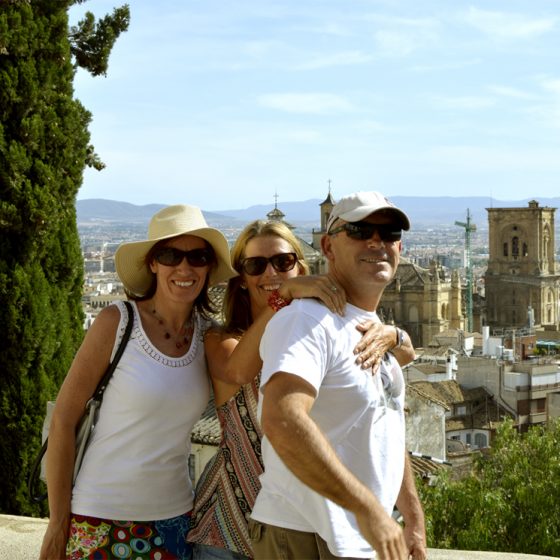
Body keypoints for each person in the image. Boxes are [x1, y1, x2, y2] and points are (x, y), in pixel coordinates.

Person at [188, 219, 416, 560]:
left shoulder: (322, 332)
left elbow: (384, 406)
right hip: (230, 525)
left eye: (283, 262)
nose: (270, 274)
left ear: (302, 267)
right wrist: (283, 299)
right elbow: (238, 370)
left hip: (307, 526)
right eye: (256, 265)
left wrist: (395, 335)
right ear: (242, 277)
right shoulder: (222, 339)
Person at [39, 204, 237, 560]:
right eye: (170, 254)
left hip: (175, 522)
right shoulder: (117, 322)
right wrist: (57, 525)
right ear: (152, 263)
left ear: (208, 267)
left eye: (197, 256)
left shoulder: (208, 337)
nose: (184, 267)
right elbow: (64, 421)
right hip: (100, 519)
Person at [249, 191, 427, 560]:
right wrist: (368, 510)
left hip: (359, 539)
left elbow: (383, 424)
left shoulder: (373, 329)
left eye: (389, 233)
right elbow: (281, 419)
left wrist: (411, 514)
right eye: (361, 230)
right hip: (306, 536)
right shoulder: (306, 319)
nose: (377, 241)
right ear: (328, 246)